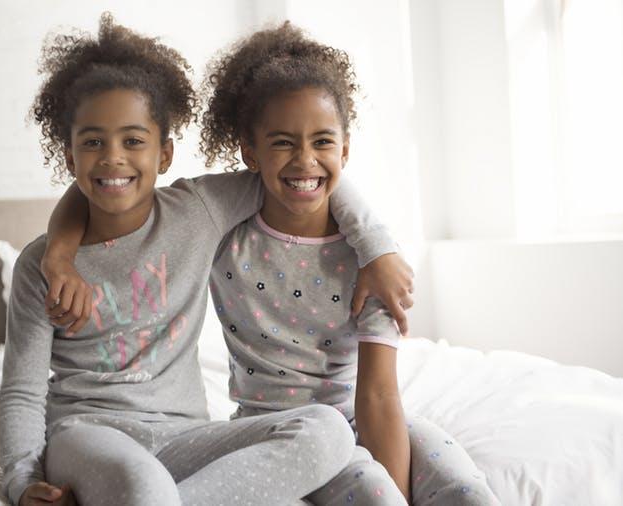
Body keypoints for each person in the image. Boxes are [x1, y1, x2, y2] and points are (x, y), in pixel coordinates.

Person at [0, 13, 413, 506]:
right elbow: (21, 393)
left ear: (165, 155)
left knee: (328, 431)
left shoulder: (198, 212)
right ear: (70, 158)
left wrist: (376, 246)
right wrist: (22, 481)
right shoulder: (39, 268)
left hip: (184, 438)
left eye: (133, 141)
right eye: (93, 143)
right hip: (85, 434)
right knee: (144, 487)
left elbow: (305, 173)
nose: (113, 158)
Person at [198, 22, 502, 505]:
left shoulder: (371, 260)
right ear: (249, 152)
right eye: (282, 143)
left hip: (362, 415)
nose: (304, 160)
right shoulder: (220, 234)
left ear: (344, 149)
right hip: (273, 431)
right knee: (371, 493)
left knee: (470, 493)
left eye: (322, 141)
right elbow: (137, 211)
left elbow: (380, 396)